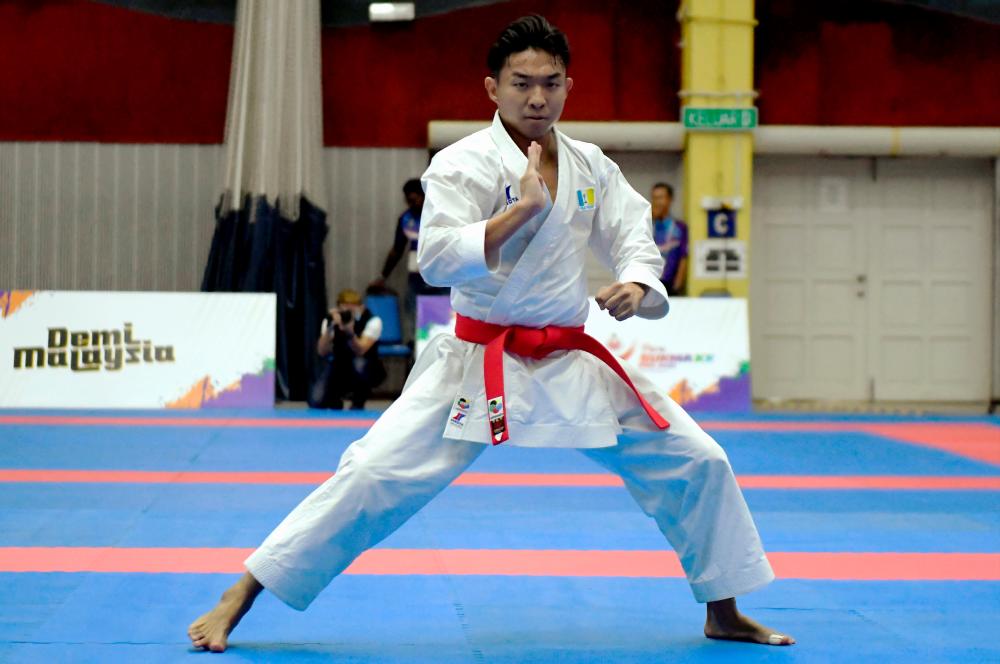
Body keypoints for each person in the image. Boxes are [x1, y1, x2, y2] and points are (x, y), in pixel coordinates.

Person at [188, 15, 794, 653]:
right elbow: (438, 260)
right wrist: (520, 211)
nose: (537, 98)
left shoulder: (592, 165)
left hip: (567, 352)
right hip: (476, 357)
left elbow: (635, 237)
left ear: (568, 87)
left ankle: (723, 608)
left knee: (698, 459)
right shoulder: (461, 164)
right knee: (371, 472)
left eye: (551, 83)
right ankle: (244, 590)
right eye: (522, 83)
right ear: (492, 88)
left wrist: (639, 285)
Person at [369, 178, 449, 336]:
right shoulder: (406, 219)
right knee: (416, 326)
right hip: (416, 281)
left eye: (414, 200)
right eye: (408, 201)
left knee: (443, 325)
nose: (411, 204)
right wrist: (382, 277)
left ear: (424, 196)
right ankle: (416, 354)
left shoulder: (441, 215)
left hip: (442, 280)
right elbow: (396, 251)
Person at [308, 289, 385, 410]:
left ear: (361, 307)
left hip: (365, 365)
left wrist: (350, 333)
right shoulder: (330, 321)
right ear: (338, 308)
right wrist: (330, 329)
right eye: (345, 308)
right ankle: (335, 399)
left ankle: (358, 400)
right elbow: (322, 351)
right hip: (338, 364)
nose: (349, 311)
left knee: (359, 364)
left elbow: (361, 349)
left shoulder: (373, 321)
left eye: (353, 307)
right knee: (316, 401)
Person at [651, 182, 688, 296]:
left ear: (669, 199)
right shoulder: (647, 224)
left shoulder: (679, 227)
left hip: (670, 285)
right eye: (654, 198)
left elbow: (683, 257)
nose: (657, 202)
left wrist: (678, 284)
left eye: (661, 198)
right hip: (650, 283)